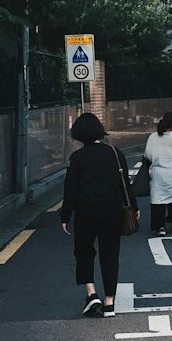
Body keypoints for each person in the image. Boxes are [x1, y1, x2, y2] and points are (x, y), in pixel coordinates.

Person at [60, 112, 136, 317]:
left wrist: (65, 216)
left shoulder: (77, 158)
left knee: (83, 252)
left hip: (86, 214)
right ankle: (109, 302)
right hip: (113, 213)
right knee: (110, 255)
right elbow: (125, 185)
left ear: (79, 134)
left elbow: (70, 191)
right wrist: (134, 207)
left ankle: (91, 293)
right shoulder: (115, 153)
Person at [144, 111, 172, 236]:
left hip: (158, 172)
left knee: (158, 199)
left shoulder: (153, 137)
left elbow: (147, 154)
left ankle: (160, 226)